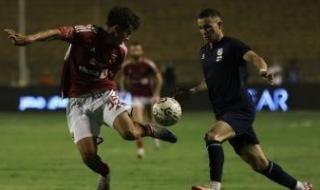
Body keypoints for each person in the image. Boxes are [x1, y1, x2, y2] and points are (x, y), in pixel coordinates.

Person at [5, 6, 177, 190]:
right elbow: (57, 32)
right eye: (127, 32)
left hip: (103, 94)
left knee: (129, 133)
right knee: (89, 157)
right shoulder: (86, 34)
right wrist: (29, 38)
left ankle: (149, 129)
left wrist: (116, 103)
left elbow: (110, 77)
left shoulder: (120, 51)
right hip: (76, 102)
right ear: (116, 29)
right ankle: (105, 173)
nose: (128, 38)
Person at [176, 8, 312, 190]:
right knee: (259, 163)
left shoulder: (231, 45)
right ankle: (301, 188)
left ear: (219, 25)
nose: (204, 32)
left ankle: (214, 187)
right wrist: (190, 93)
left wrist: (263, 69)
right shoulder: (204, 52)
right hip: (224, 113)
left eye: (208, 27)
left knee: (212, 136)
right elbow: (208, 82)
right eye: (201, 28)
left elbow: (254, 57)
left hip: (239, 109)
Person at [120, 42, 163, 159]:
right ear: (130, 52)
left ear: (141, 51)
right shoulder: (127, 66)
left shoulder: (148, 64)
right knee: (138, 123)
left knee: (152, 120)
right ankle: (140, 149)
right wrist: (124, 92)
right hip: (136, 98)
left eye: (137, 50)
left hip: (150, 96)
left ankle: (155, 138)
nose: (135, 52)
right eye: (133, 50)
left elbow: (158, 78)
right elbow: (123, 80)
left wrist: (156, 94)